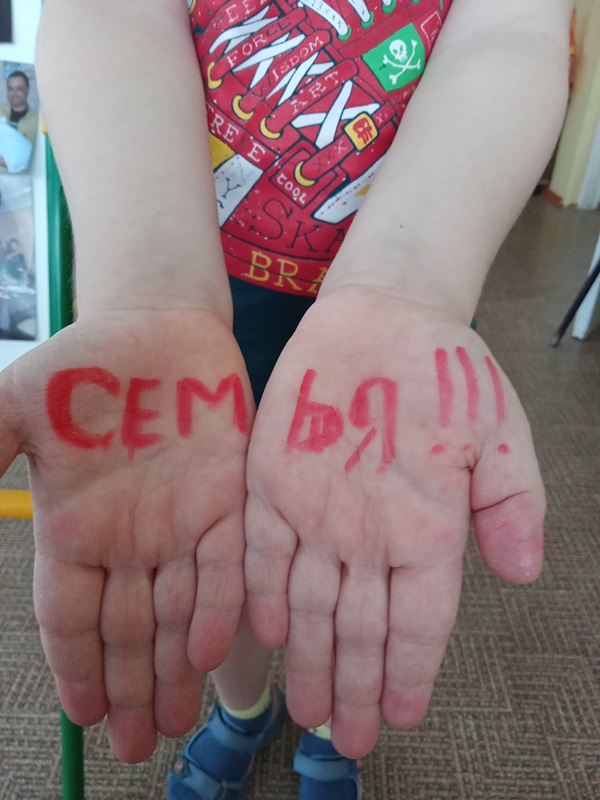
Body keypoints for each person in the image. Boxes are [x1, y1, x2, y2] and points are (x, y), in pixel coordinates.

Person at [0, 0, 571, 798]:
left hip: (406, 295)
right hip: (199, 280)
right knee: (207, 531)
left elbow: (510, 31)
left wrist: (410, 284)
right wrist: (148, 284)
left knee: (353, 534)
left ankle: (329, 729)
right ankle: (243, 710)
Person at [0, 70, 38, 172]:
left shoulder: (37, 121)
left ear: (27, 90)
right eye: (11, 89)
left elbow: (36, 156)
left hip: (23, 176)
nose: (14, 93)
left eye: (19, 89)